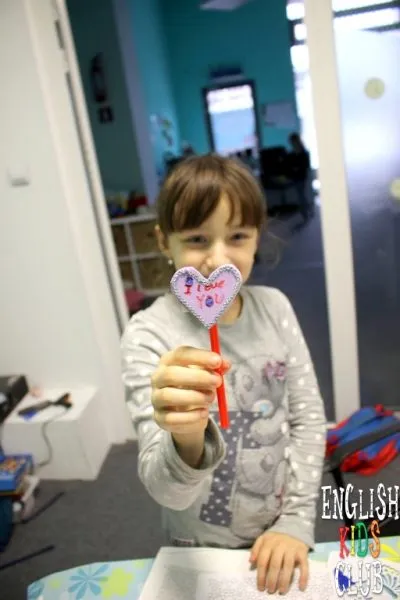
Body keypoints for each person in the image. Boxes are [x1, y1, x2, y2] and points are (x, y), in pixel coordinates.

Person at [121, 154, 326, 595]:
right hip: (197, 545)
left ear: (256, 238)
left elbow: (308, 421)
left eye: (237, 236)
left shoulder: (276, 309)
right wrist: (186, 435)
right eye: (197, 239)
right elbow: (167, 491)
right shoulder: (149, 335)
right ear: (164, 242)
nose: (218, 259)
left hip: (278, 531)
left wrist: (295, 520)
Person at [287, 133, 313, 223]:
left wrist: (297, 167)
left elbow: (305, 165)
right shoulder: (293, 153)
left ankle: (305, 212)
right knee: (301, 195)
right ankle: (307, 211)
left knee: (301, 195)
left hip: (302, 175)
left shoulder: (303, 152)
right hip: (297, 176)